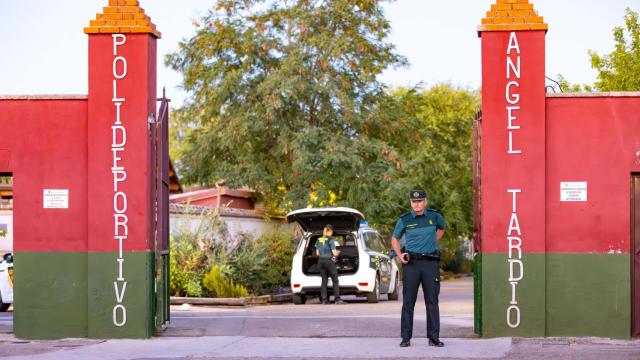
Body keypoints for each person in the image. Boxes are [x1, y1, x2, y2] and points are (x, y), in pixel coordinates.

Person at [391, 189, 446, 348]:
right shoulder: (404, 220)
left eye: (420, 201)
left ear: (425, 202)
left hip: (430, 263)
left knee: (432, 302)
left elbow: (441, 229)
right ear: (411, 203)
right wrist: (400, 256)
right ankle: (405, 338)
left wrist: (432, 241)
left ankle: (434, 338)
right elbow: (395, 239)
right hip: (412, 264)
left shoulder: (435, 216)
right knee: (408, 302)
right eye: (414, 202)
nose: (417, 204)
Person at [316, 224, 346, 304]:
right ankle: (337, 299)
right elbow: (334, 253)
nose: (332, 233)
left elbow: (317, 253)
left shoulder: (319, 240)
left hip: (321, 262)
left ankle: (324, 300)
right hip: (328, 261)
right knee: (335, 279)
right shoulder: (330, 240)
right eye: (332, 232)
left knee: (324, 281)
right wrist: (338, 252)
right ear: (329, 231)